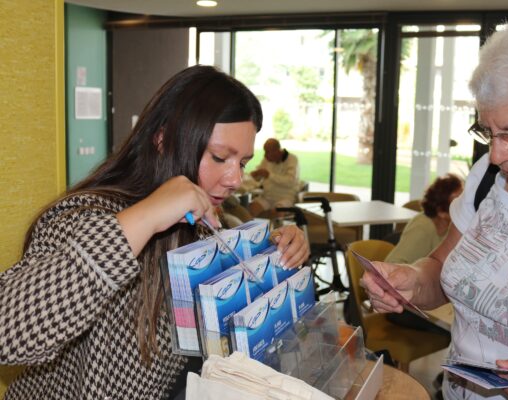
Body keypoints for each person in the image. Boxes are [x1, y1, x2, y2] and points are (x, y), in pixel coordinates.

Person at [0, 65, 309, 399]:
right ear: (163, 140)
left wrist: (275, 252)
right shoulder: (82, 217)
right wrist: (145, 217)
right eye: (220, 157)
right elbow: (8, 333)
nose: (235, 179)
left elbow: (231, 319)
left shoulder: (200, 227)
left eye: (243, 163)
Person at [361, 18, 508, 400]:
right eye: (488, 131)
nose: (497, 153)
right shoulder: (487, 176)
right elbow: (442, 267)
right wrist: (411, 278)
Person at [385, 173, 463, 264]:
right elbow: (393, 263)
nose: (465, 205)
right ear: (441, 212)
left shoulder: (452, 226)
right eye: (458, 202)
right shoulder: (422, 228)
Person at [247, 138, 300, 217]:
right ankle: (255, 228)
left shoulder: (292, 159)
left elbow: (290, 181)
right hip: (267, 197)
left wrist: (269, 175)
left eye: (267, 152)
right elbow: (258, 176)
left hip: (285, 198)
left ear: (277, 151)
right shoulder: (267, 160)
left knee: (277, 213)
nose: (265, 155)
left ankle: (272, 227)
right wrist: (255, 174)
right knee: (249, 210)